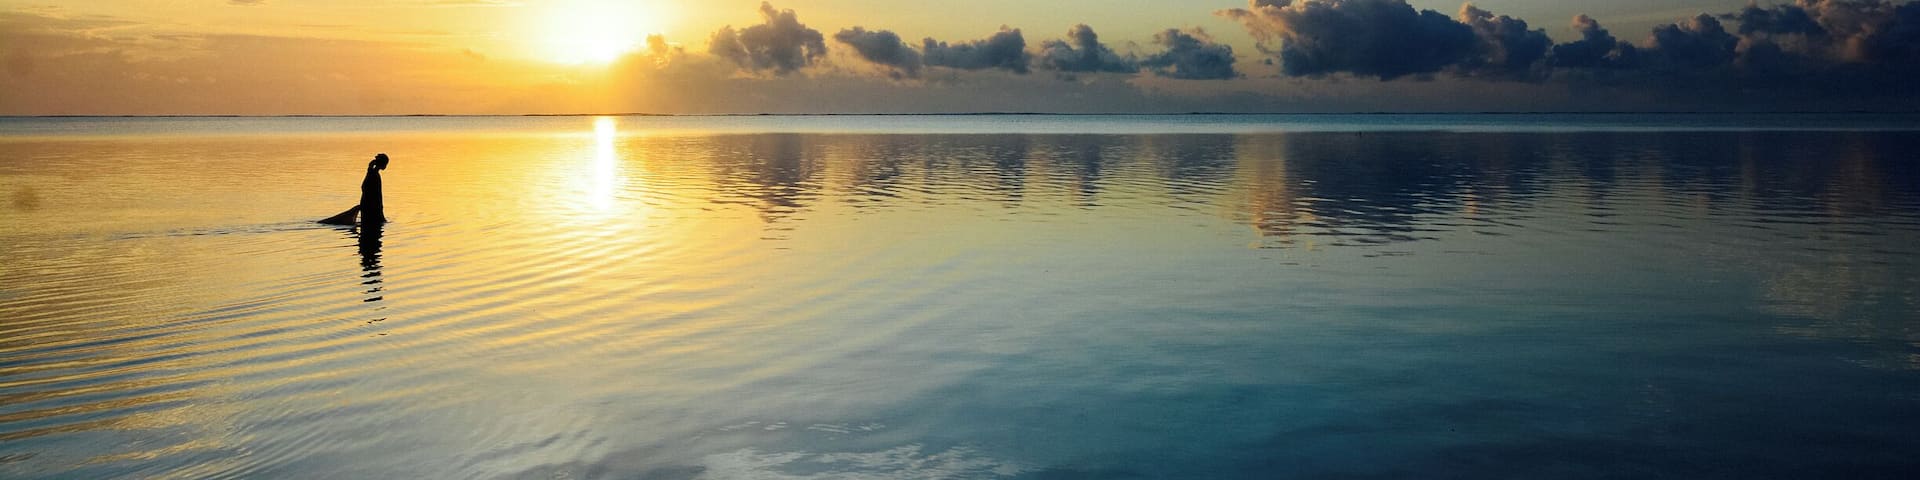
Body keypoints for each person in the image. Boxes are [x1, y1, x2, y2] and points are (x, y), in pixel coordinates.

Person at [319, 153, 390, 225]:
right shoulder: (374, 174)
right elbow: (366, 188)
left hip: (369, 203)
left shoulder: (372, 173)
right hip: (371, 205)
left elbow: (364, 187)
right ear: (383, 164)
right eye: (386, 164)